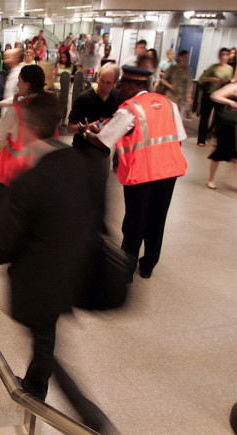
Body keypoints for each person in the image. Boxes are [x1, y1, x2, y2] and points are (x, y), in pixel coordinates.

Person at [0, 92, 119, 435]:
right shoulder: (86, 163)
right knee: (45, 339)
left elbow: (4, 239)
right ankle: (36, 386)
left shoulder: (30, 178)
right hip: (75, 271)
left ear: (28, 127)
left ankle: (93, 420)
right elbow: (100, 218)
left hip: (39, 280)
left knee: (47, 343)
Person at [83, 65, 187, 280]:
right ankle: (148, 266)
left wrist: (87, 133)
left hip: (142, 173)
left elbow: (102, 141)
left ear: (132, 86)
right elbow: (179, 137)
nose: (119, 91)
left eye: (121, 86)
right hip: (169, 172)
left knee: (135, 221)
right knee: (157, 219)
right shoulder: (169, 104)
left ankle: (126, 270)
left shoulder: (130, 109)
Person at [0, 65, 52, 226]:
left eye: (20, 81)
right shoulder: (49, 108)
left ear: (28, 85)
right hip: (39, 173)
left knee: (0, 218)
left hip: (11, 174)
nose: (17, 85)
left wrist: (15, 106)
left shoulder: (16, 111)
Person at [67, 63, 120, 157]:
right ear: (97, 78)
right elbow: (70, 128)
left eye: (108, 83)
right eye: (101, 81)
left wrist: (112, 122)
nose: (103, 86)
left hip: (103, 151)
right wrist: (89, 127)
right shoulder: (84, 99)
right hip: (82, 149)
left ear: (115, 84)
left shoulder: (117, 97)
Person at [197, 48, 234, 147]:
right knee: (205, 116)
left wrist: (225, 82)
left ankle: (215, 138)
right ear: (219, 56)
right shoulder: (213, 67)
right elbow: (201, 79)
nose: (224, 57)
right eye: (222, 54)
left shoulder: (230, 69)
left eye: (226, 54)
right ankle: (201, 139)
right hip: (209, 94)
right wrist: (212, 79)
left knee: (219, 118)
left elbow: (231, 81)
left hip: (221, 95)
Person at [206, 81, 237, 189]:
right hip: (227, 124)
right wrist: (230, 102)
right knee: (220, 151)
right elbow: (214, 96)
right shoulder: (233, 87)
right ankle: (211, 179)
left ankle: (233, 180)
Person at [161, 50, 192, 117]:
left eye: (186, 58)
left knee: (176, 115)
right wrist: (168, 85)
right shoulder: (172, 68)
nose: (185, 59)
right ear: (180, 57)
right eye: (184, 57)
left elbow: (189, 84)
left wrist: (188, 96)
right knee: (167, 113)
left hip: (179, 96)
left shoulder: (187, 70)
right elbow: (163, 79)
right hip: (170, 94)